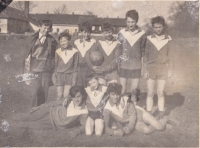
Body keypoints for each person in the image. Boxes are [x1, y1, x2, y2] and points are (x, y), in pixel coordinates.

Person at [6, 86, 88, 138]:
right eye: (74, 97)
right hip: (48, 111)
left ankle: (4, 123)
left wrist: (77, 131)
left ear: (83, 96)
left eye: (78, 97)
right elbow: (53, 103)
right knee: (25, 116)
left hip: (52, 123)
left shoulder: (83, 111)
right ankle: (4, 116)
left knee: (28, 125)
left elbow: (85, 126)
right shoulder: (68, 100)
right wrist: (39, 107)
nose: (76, 100)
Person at [104, 83, 172, 136]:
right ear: (108, 94)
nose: (115, 97)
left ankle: (165, 119)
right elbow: (106, 127)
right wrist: (114, 132)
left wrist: (130, 128)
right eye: (113, 94)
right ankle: (157, 119)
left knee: (160, 127)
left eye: (117, 94)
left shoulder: (126, 99)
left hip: (140, 114)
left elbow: (133, 115)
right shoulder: (107, 108)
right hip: (135, 121)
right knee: (147, 130)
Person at [143, 16, 173, 119]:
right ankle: (149, 113)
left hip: (163, 68)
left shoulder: (168, 39)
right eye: (156, 27)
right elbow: (145, 56)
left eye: (160, 27)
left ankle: (160, 113)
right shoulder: (149, 39)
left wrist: (170, 69)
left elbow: (170, 56)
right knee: (150, 92)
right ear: (153, 28)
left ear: (163, 26)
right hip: (151, 68)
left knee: (160, 92)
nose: (158, 29)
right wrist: (145, 69)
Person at [23, 19, 57, 109]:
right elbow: (27, 57)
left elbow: (55, 57)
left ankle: (41, 113)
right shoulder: (32, 39)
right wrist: (26, 75)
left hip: (46, 71)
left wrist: (52, 71)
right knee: (34, 93)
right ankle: (33, 113)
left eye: (48, 28)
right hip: (34, 70)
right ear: (39, 27)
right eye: (44, 28)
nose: (46, 30)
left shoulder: (52, 40)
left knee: (44, 92)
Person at [116, 10, 146, 103]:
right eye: (128, 22)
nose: (130, 24)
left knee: (134, 91)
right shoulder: (121, 33)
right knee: (122, 90)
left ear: (136, 21)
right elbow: (118, 50)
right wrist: (118, 64)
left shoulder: (142, 33)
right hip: (124, 66)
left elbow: (143, 51)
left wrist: (143, 66)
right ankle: (120, 109)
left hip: (136, 66)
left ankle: (135, 109)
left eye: (132, 22)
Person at [52, 32, 78, 100]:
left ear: (69, 40)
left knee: (66, 96)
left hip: (69, 75)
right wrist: (54, 76)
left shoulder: (75, 51)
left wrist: (74, 77)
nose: (63, 43)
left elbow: (75, 65)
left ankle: (65, 110)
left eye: (65, 41)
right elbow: (56, 65)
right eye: (61, 41)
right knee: (59, 95)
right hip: (59, 75)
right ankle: (58, 109)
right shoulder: (58, 51)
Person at [73, 21, 96, 87]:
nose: (86, 34)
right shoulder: (76, 42)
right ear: (81, 32)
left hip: (89, 68)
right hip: (79, 68)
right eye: (84, 32)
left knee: (89, 87)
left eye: (88, 32)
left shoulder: (93, 42)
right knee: (80, 87)